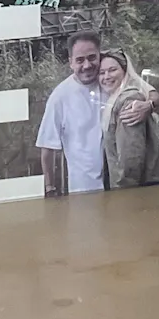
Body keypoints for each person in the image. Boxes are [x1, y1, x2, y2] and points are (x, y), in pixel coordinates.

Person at [35, 31, 105, 196]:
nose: (87, 65)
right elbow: (47, 146)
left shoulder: (111, 80)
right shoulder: (60, 96)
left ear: (100, 56)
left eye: (92, 58)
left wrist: (148, 104)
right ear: (71, 63)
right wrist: (50, 188)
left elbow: (147, 92)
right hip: (84, 188)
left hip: (120, 183)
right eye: (80, 60)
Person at [98, 48, 159, 189]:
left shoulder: (129, 101)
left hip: (142, 191)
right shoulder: (114, 98)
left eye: (112, 70)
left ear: (125, 72)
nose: (107, 76)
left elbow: (131, 159)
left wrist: (123, 193)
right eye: (101, 72)